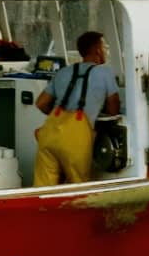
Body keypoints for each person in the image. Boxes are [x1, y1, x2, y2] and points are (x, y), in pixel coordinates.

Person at [32, 31, 121, 186]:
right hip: (75, 140)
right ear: (98, 51)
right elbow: (114, 110)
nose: (106, 50)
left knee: (43, 190)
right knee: (78, 189)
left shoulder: (63, 71)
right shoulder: (105, 72)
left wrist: (59, 115)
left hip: (49, 135)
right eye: (105, 46)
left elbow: (41, 103)